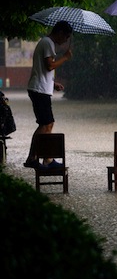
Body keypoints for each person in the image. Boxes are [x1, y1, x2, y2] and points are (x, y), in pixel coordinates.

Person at [24, 20, 73, 168]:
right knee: (45, 124)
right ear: (60, 33)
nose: (65, 41)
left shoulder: (47, 43)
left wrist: (52, 83)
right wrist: (65, 57)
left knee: (48, 123)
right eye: (66, 37)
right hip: (39, 90)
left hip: (42, 88)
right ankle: (36, 158)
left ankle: (46, 157)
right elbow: (49, 65)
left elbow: (43, 70)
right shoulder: (47, 43)